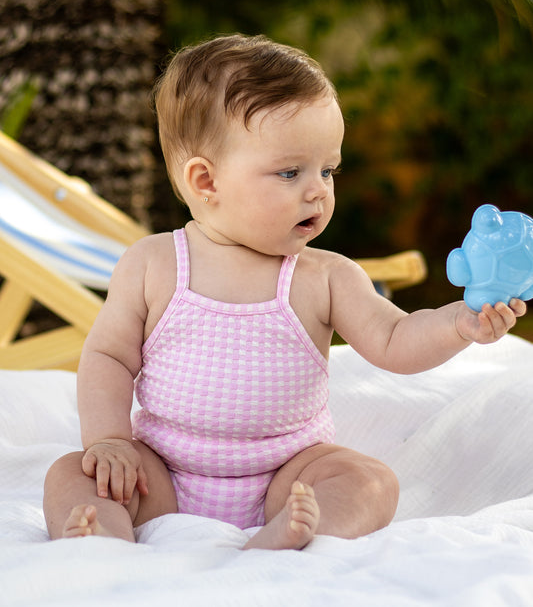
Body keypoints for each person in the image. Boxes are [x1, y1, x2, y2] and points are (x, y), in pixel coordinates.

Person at [43, 33, 526, 551]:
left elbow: (395, 339)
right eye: (291, 172)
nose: (318, 189)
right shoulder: (153, 264)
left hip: (286, 475)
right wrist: (110, 441)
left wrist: (459, 323)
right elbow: (109, 358)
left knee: (372, 482)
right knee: (71, 473)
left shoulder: (325, 277)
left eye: (328, 170)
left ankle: (290, 532)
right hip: (161, 472)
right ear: (206, 182)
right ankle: (102, 538)